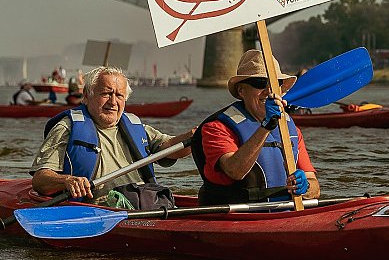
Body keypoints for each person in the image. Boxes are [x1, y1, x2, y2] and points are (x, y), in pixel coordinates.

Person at [30, 66, 193, 202]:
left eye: (119, 95)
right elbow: (40, 180)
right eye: (106, 94)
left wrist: (195, 136)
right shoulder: (67, 128)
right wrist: (67, 181)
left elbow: (173, 149)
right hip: (97, 207)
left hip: (141, 203)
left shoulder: (136, 127)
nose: (113, 102)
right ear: (87, 96)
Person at [191, 50, 321, 205]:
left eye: (275, 84)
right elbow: (235, 171)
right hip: (236, 217)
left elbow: (315, 187)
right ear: (241, 90)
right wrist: (266, 127)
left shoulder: (291, 131)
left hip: (283, 215)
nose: (268, 91)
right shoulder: (216, 128)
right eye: (259, 83)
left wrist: (305, 187)